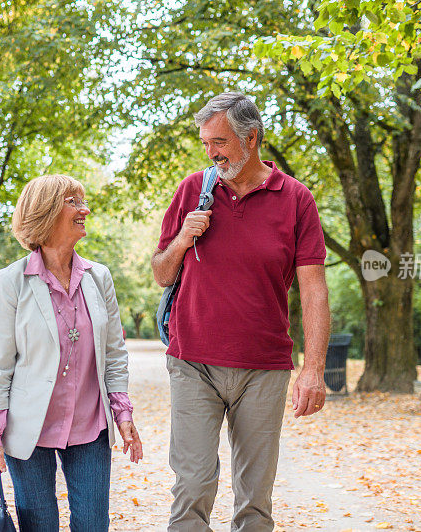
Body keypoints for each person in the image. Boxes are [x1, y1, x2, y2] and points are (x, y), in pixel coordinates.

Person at [151, 92, 330, 531]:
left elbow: (313, 290)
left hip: (263, 368)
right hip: (193, 361)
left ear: (251, 139)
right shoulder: (194, 190)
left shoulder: (295, 199)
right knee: (192, 485)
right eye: (206, 143)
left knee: (255, 498)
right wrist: (182, 240)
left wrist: (314, 369)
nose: (211, 153)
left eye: (220, 142)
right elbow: (160, 272)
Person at [0, 174, 143, 532]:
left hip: (89, 425)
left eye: (81, 201)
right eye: (73, 202)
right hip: (30, 429)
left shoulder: (99, 277)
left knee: (92, 524)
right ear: (45, 212)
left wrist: (122, 411)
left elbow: (115, 354)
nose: (84, 209)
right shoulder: (10, 282)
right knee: (39, 525)